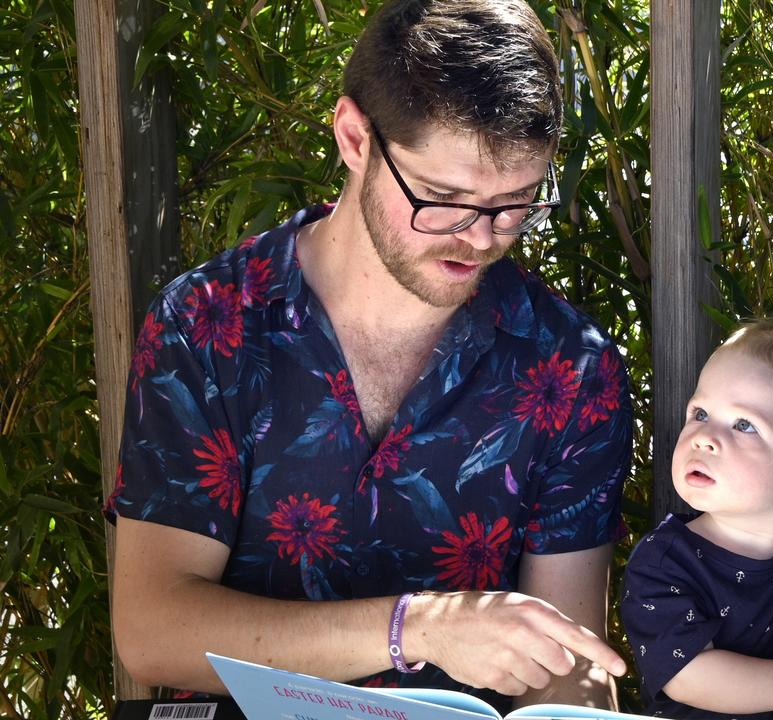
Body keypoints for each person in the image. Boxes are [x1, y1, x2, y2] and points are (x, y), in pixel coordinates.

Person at [104, 0, 632, 710]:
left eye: (514, 204)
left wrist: (575, 690)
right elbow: (151, 632)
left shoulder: (570, 366)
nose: (480, 238)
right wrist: (415, 628)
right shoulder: (209, 324)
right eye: (442, 198)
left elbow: (570, 666)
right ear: (355, 138)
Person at [620, 318, 773, 720]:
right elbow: (689, 675)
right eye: (700, 412)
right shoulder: (664, 562)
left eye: (743, 425)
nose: (703, 436)